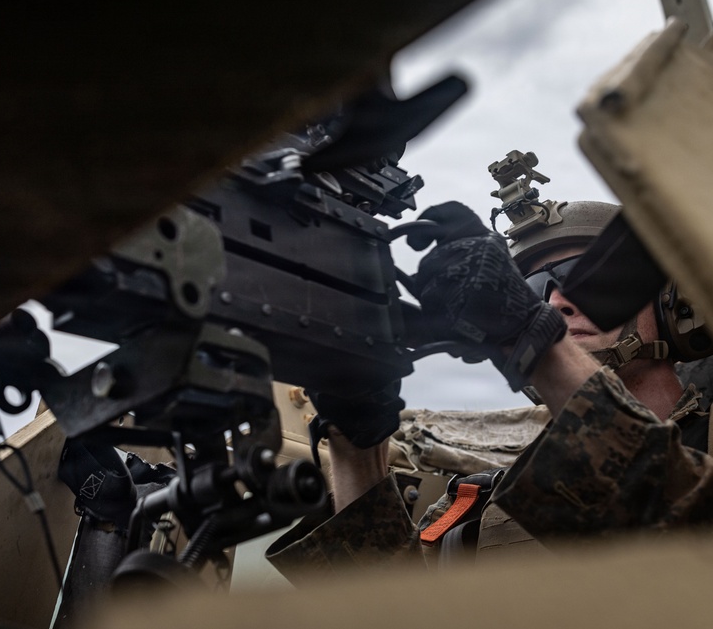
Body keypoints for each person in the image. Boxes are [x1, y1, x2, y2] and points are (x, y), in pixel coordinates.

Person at [266, 198, 712, 580]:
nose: (555, 302)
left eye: (583, 279)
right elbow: (395, 614)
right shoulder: (478, 508)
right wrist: (356, 444)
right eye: (532, 290)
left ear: (674, 303)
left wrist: (534, 338)